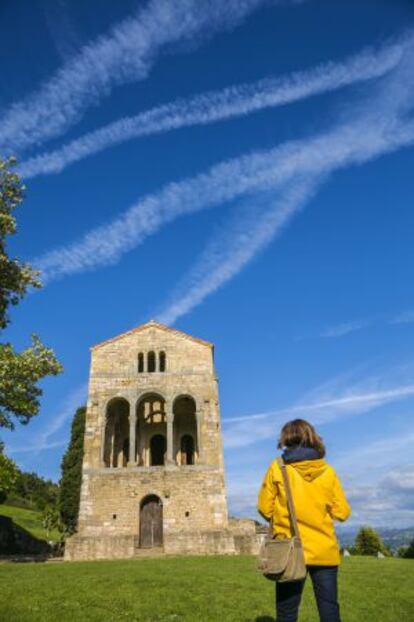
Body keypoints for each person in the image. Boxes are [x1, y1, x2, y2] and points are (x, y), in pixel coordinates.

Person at [257, 418, 351, 622]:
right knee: (329, 612)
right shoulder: (328, 471)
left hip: (288, 551)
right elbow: (342, 513)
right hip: (324, 550)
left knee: (287, 613)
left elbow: (264, 508)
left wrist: (283, 516)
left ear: (286, 438)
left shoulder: (277, 467)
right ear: (311, 437)